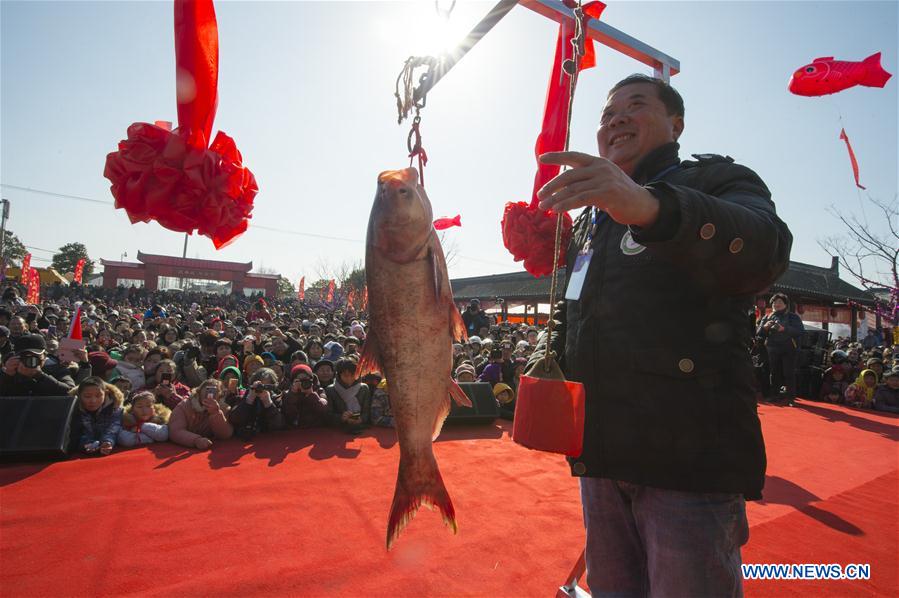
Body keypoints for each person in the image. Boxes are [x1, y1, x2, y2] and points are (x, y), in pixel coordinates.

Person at [531, 74, 792, 595]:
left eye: (635, 105)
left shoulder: (717, 180)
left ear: (676, 124)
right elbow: (572, 307)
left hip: (688, 463)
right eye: (607, 114)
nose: (616, 119)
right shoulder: (592, 219)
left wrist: (651, 208)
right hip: (601, 458)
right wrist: (547, 360)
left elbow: (767, 248)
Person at [756, 293, 804, 405]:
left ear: (785, 304)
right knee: (774, 373)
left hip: (789, 348)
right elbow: (759, 333)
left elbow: (800, 331)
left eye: (779, 302)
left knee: (788, 373)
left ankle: (790, 398)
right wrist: (765, 327)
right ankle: (774, 395)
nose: (776, 304)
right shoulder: (767, 317)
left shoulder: (793, 317)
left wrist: (784, 329)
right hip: (772, 348)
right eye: (774, 302)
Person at [0, 334, 75, 396]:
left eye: (35, 356)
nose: (31, 360)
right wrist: (7, 375)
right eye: (24, 357)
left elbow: (71, 392)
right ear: (16, 357)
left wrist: (40, 375)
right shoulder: (11, 371)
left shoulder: (58, 370)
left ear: (44, 356)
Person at [168, 379, 233, 450]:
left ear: (219, 396)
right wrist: (196, 440)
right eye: (207, 390)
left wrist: (216, 413)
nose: (210, 394)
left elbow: (225, 435)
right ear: (199, 392)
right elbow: (175, 431)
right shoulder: (184, 406)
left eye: (214, 391)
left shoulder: (222, 409)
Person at [69, 377, 124, 456]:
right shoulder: (72, 409)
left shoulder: (115, 408)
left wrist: (108, 442)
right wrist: (86, 443)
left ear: (106, 393)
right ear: (79, 395)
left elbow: (113, 429)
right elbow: (74, 433)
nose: (93, 401)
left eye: (98, 396)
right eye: (87, 396)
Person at [228, 368, 285, 440]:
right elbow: (235, 420)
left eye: (265, 386)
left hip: (269, 440)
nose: (262, 389)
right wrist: (248, 401)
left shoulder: (276, 398)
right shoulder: (245, 396)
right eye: (260, 386)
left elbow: (279, 424)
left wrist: (269, 404)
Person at [281, 364, 333, 428]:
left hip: (317, 429)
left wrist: (312, 394)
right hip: (296, 430)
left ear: (312, 380)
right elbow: (289, 416)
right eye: (299, 380)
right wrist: (293, 394)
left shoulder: (320, 391)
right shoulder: (287, 394)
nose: (303, 383)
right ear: (293, 382)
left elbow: (325, 412)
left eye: (306, 380)